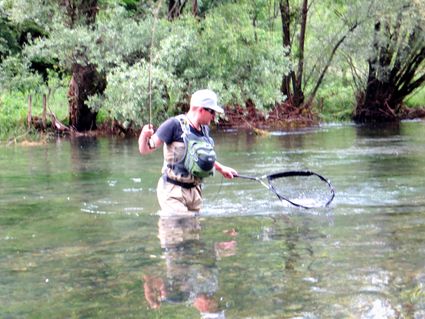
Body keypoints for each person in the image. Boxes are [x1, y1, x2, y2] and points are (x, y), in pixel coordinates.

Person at [138, 89, 237, 213]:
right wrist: (143, 135)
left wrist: (221, 168)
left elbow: (197, 157)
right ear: (201, 109)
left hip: (195, 192)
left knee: (193, 231)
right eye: (212, 112)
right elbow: (145, 149)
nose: (214, 116)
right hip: (172, 191)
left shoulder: (204, 129)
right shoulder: (173, 125)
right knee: (176, 229)